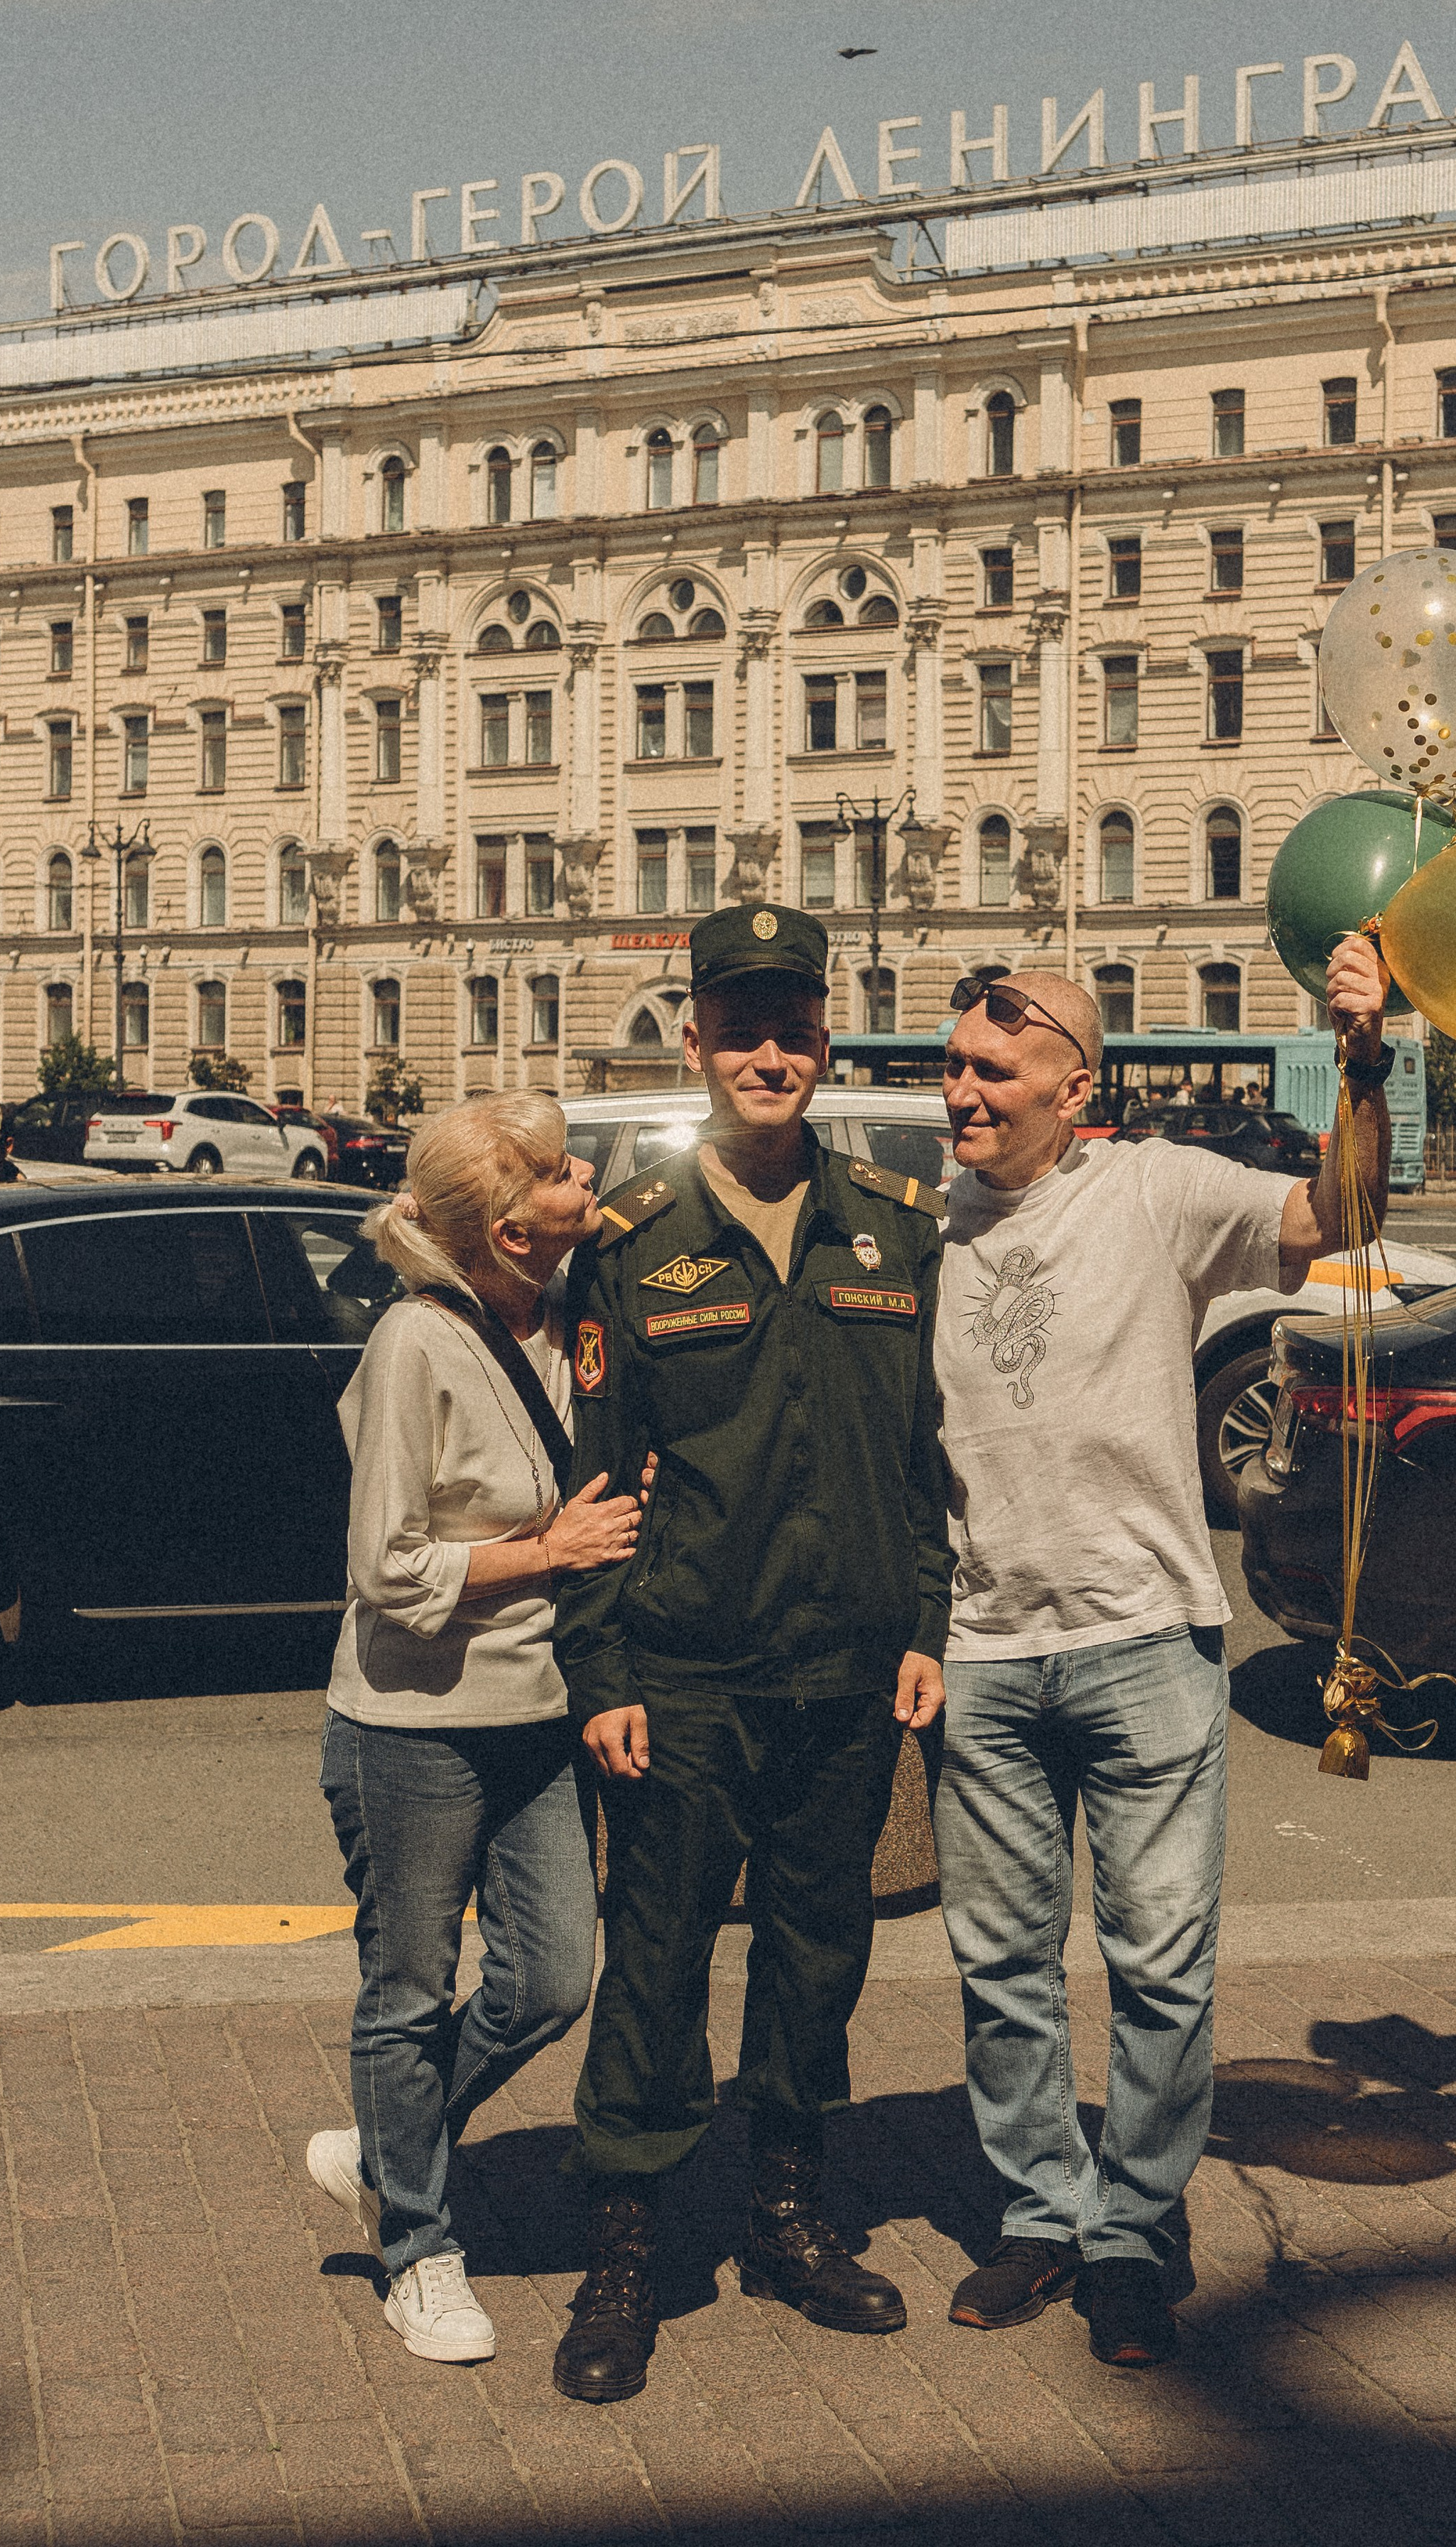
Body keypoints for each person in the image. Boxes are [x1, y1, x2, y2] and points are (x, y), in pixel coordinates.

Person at [930, 939, 1391, 2368]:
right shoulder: (920, 1220)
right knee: (1002, 1962)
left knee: (1158, 1966)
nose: (959, 1093)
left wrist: (1361, 1056)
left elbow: (1343, 1211)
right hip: (985, 1650)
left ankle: (1133, 2227)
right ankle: (1036, 2212)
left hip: (1144, 1640)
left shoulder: (1155, 1186)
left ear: (1074, 1088)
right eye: (951, 1066)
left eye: (988, 1071)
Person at [549, 901, 952, 2406]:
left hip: (845, 1674)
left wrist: (923, 1624)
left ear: (823, 1040)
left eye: (793, 1025)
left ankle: (787, 2215)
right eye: (740, 1025)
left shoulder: (891, 1227)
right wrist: (602, 1676)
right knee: (652, 1967)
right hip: (685, 1676)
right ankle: (626, 2252)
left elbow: (919, 1461)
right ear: (697, 1039)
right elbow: (596, 1480)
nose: (767, 1052)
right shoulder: (634, 1245)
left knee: (814, 1960)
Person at [305, 1092, 643, 2363]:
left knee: (554, 1976)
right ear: (508, 1229)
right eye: (560, 1174)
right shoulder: (414, 1344)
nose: (586, 1180)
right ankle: (418, 2252)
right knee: (406, 1989)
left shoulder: (572, 1323)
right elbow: (387, 1568)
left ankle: (388, 2151)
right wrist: (546, 1551)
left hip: (537, 1710)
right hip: (411, 1723)